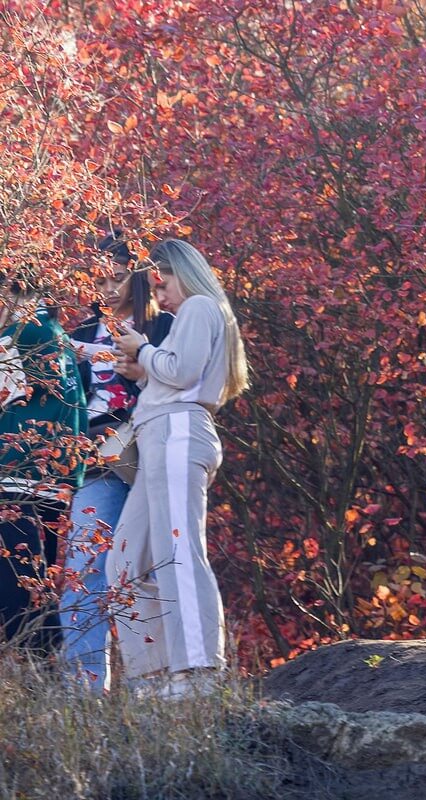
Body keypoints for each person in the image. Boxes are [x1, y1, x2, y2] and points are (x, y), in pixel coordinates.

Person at [108, 238, 249, 698]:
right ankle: (152, 676)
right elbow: (178, 372)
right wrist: (143, 369)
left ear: (180, 272)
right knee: (124, 561)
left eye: (162, 283)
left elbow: (184, 372)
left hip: (177, 433)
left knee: (177, 550)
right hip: (159, 435)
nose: (160, 296)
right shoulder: (202, 314)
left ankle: (198, 670)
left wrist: (144, 350)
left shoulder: (201, 306)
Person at [60, 231, 173, 692]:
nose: (107, 288)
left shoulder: (164, 326)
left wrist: (144, 373)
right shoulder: (78, 335)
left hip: (152, 458)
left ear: (140, 276)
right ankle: (83, 696)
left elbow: (189, 385)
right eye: (98, 279)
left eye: (119, 277)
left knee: (149, 571)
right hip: (99, 464)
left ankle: (158, 691)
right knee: (83, 572)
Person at [0, 273, 87, 653]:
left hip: (17, 474)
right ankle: (46, 682)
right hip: (52, 480)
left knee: (17, 585)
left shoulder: (21, 333)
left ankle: (39, 681)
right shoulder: (54, 331)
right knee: (38, 584)